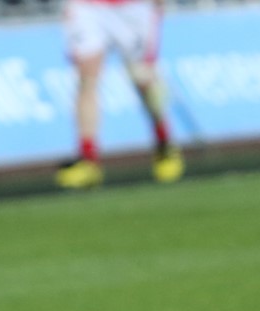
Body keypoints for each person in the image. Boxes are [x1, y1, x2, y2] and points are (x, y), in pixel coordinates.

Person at [55, 0, 184, 189]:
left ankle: (164, 143)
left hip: (134, 7)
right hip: (88, 6)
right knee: (86, 79)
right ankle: (88, 159)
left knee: (143, 79)